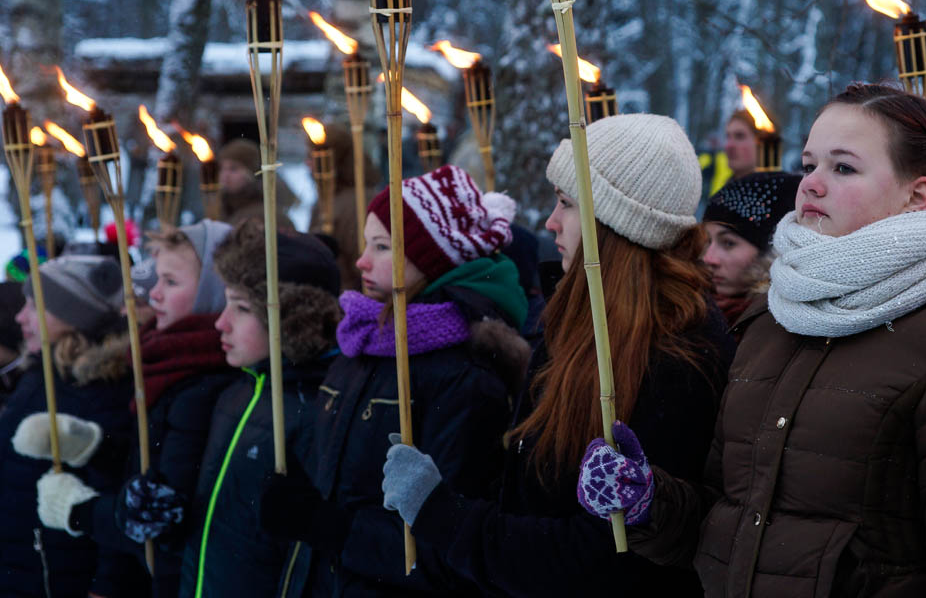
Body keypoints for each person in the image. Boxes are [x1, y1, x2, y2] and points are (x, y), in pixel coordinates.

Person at [577, 85, 926, 596]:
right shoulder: (769, 318)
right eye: (808, 163)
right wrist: (647, 505)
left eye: (843, 168)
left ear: (917, 195)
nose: (811, 184)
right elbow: (723, 520)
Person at [380, 114, 733, 596]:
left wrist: (445, 517)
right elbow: (533, 488)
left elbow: (599, 559)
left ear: (614, 225)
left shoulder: (678, 352)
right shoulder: (577, 317)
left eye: (567, 203)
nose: (549, 222)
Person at [263, 166, 531, 597]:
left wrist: (329, 528)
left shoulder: (465, 378)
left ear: (433, 261)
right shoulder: (361, 343)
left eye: (383, 247)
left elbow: (448, 551)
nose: (360, 261)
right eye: (367, 244)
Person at [33, 221, 235, 598]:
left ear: (215, 290)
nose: (153, 295)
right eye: (157, 280)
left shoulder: (202, 381)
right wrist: (96, 448)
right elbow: (150, 467)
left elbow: (167, 513)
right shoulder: (161, 358)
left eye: (171, 283)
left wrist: (79, 510)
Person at [175, 222, 340, 598]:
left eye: (242, 307)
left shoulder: (315, 411)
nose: (221, 321)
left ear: (290, 318)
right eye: (226, 301)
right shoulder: (237, 393)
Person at [1, 256, 140, 597]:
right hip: (20, 566)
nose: (21, 317)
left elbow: (114, 492)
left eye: (34, 307)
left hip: (61, 577)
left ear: (73, 316)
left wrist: (105, 588)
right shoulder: (40, 373)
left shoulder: (104, 392)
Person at [702, 172, 802, 328]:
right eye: (706, 241)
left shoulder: (781, 326)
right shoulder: (688, 310)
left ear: (772, 254)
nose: (709, 258)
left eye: (728, 243)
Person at [308, 122, 381, 291]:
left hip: (349, 301)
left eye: (312, 158)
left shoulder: (358, 203)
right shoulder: (327, 200)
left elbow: (362, 263)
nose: (308, 164)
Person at [218, 138, 296, 231]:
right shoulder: (222, 208)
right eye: (222, 168)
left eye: (233, 169)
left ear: (250, 173)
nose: (225, 175)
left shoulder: (265, 214)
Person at [723, 109, 758, 183]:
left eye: (740, 136)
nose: (729, 145)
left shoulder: (781, 190)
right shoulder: (725, 191)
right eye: (728, 137)